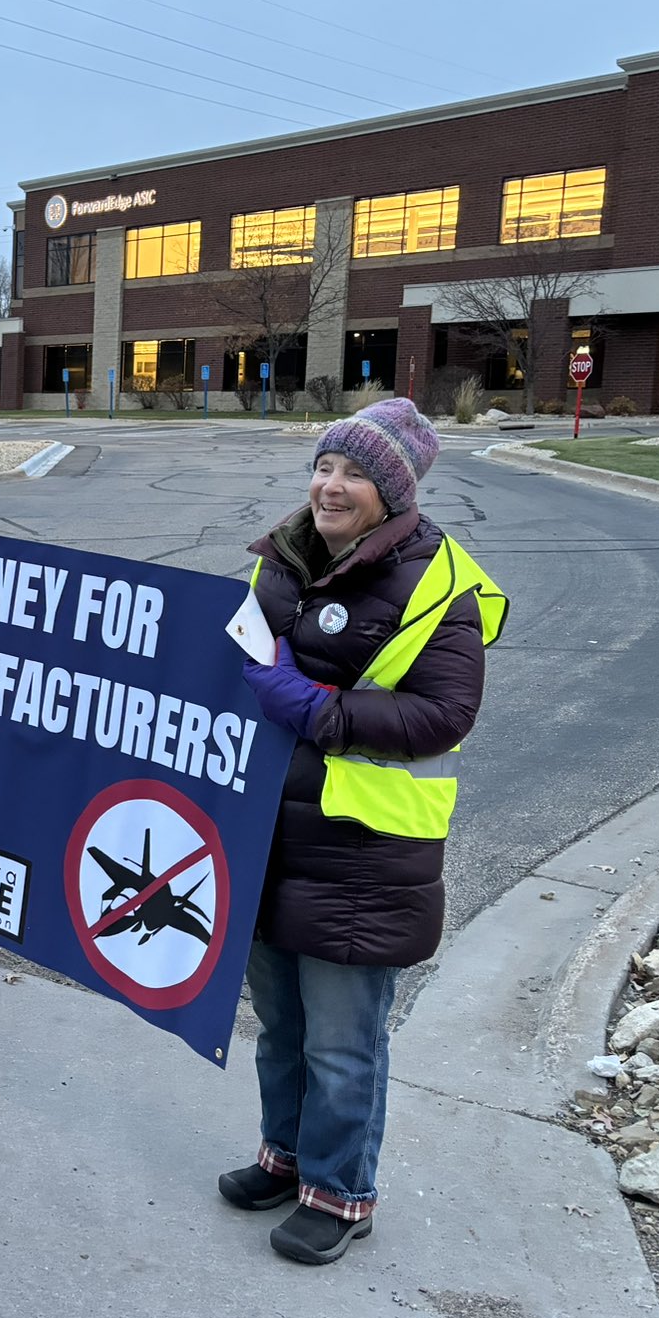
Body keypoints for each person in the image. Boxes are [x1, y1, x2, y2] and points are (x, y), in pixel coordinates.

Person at [221, 397, 505, 1266]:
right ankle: (288, 1157)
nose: (329, 485)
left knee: (345, 1040)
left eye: (352, 472)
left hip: (363, 851)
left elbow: (443, 713)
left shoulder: (436, 585)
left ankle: (342, 1195)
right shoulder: (283, 563)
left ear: (392, 491)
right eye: (324, 466)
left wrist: (318, 709)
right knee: (280, 1026)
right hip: (269, 833)